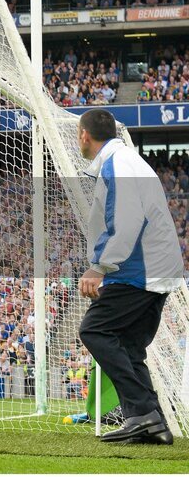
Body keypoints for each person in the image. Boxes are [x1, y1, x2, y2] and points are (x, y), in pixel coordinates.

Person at [76, 109, 184, 445]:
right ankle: (152, 424)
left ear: (84, 135)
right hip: (158, 268)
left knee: (94, 330)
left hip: (141, 270)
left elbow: (126, 220)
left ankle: (142, 413)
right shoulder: (126, 159)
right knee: (130, 346)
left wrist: (99, 267)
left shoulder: (117, 163)